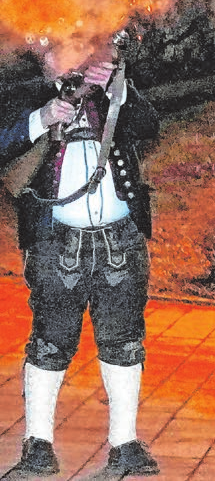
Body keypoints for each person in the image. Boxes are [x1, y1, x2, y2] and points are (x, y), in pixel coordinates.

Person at [0, 39, 161, 476]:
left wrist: (116, 88)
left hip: (121, 240)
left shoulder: (113, 90)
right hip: (56, 241)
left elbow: (150, 125)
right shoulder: (27, 93)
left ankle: (124, 445)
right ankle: (37, 444)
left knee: (125, 340)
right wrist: (42, 118)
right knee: (50, 342)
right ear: (46, 56)